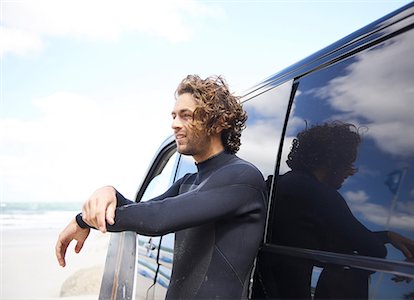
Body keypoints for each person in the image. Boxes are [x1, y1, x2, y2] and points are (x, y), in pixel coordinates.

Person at [55, 75, 268, 299]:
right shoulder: (188, 182)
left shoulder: (242, 177)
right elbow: (140, 209)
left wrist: (83, 220)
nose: (174, 123)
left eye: (186, 115)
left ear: (218, 122)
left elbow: (158, 219)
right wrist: (109, 192)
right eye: (174, 116)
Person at [252, 121, 414, 299]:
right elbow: (373, 249)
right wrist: (387, 244)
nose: (350, 171)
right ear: (333, 161)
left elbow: (334, 239)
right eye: (348, 163)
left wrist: (387, 235)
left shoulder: (277, 185)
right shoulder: (317, 193)